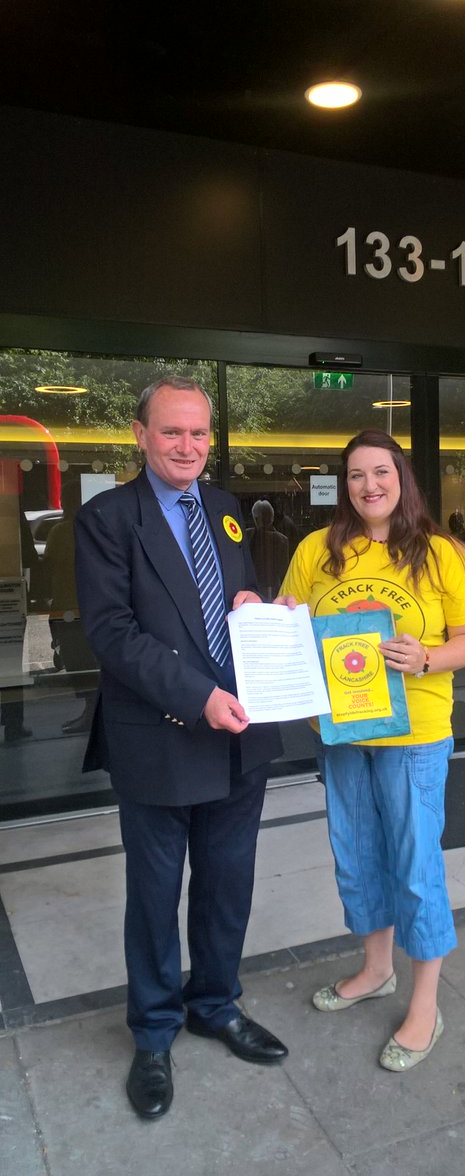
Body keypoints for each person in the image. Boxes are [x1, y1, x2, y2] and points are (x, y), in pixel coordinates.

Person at [74, 376, 288, 1121]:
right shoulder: (107, 519)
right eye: (173, 433)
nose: (189, 447)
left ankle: (216, 1005)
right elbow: (113, 633)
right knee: (155, 898)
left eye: (199, 434)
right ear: (139, 435)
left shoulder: (226, 511)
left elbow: (235, 601)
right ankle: (155, 1032)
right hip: (161, 742)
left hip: (241, 739)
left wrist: (261, 614)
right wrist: (198, 696)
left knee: (228, 886)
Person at [279, 429, 465, 1073]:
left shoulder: (440, 552)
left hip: (416, 735)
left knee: (416, 866)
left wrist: (426, 656)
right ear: (344, 487)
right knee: (357, 856)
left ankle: (425, 1000)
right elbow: (293, 621)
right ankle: (376, 969)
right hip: (342, 734)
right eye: (356, 476)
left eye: (381, 472)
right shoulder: (319, 549)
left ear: (402, 477)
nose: (369, 486)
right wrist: (278, 615)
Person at [42, 479, 99, 734]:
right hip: (87, 608)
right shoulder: (95, 531)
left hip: (68, 609)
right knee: (89, 665)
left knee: (81, 666)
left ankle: (91, 715)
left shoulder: (63, 531)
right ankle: (90, 715)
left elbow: (47, 566)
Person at [245, 499, 289, 600]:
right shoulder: (247, 535)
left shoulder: (281, 539)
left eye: (259, 518)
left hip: (272, 588)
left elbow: (283, 569)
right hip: (254, 586)